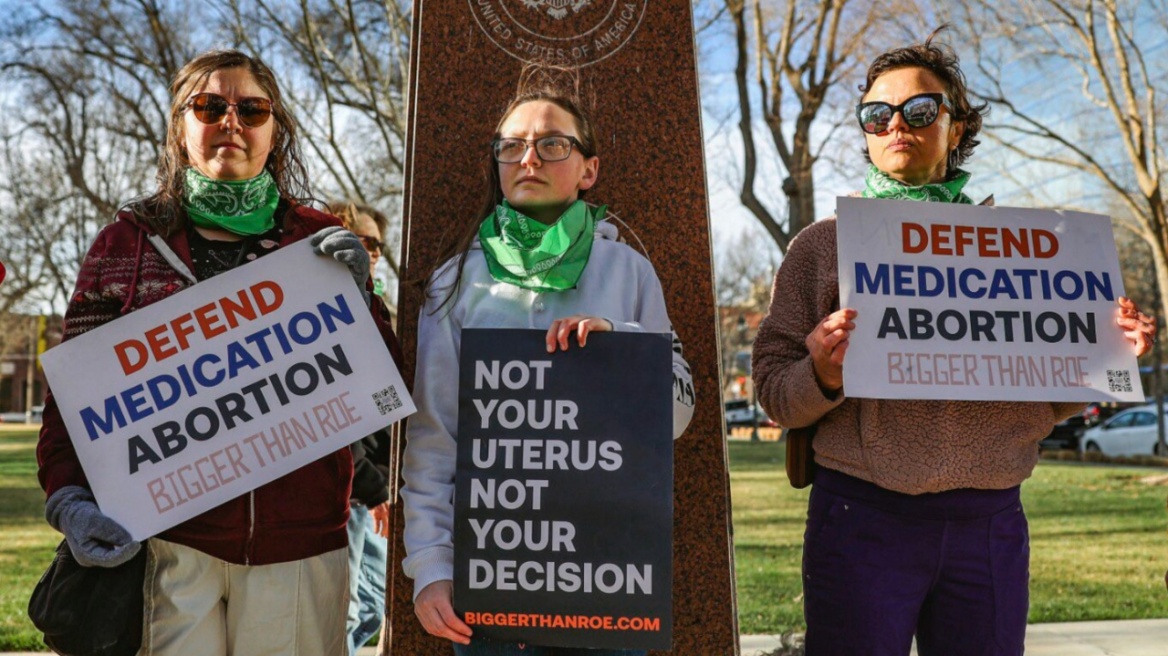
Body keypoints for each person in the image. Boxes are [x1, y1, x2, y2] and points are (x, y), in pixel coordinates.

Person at [751, 29, 1157, 656]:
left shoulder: (1029, 253)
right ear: (863, 128)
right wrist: (824, 373)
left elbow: (1050, 405)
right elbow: (775, 393)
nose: (896, 125)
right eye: (876, 114)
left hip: (989, 523)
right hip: (860, 519)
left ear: (958, 126)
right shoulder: (819, 247)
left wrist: (1106, 357)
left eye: (919, 110)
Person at [36, 49, 401, 656]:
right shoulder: (124, 245)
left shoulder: (315, 240)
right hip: (170, 546)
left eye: (251, 109)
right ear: (180, 128)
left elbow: (385, 387)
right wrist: (69, 499)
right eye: (209, 106)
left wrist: (363, 298)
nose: (231, 121)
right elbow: (72, 401)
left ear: (273, 131)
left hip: (303, 548)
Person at [400, 68, 696, 656]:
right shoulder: (455, 281)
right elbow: (434, 436)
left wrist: (623, 347)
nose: (528, 157)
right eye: (511, 146)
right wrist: (431, 566)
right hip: (493, 579)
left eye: (552, 143)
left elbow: (678, 416)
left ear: (588, 169)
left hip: (607, 579)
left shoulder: (630, 272)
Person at [328, 201, 393, 655]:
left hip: (374, 489)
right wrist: (371, 487)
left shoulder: (376, 308)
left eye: (378, 246)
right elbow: (330, 416)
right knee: (348, 611)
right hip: (349, 491)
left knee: (369, 605)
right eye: (364, 242)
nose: (372, 253)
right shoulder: (325, 311)